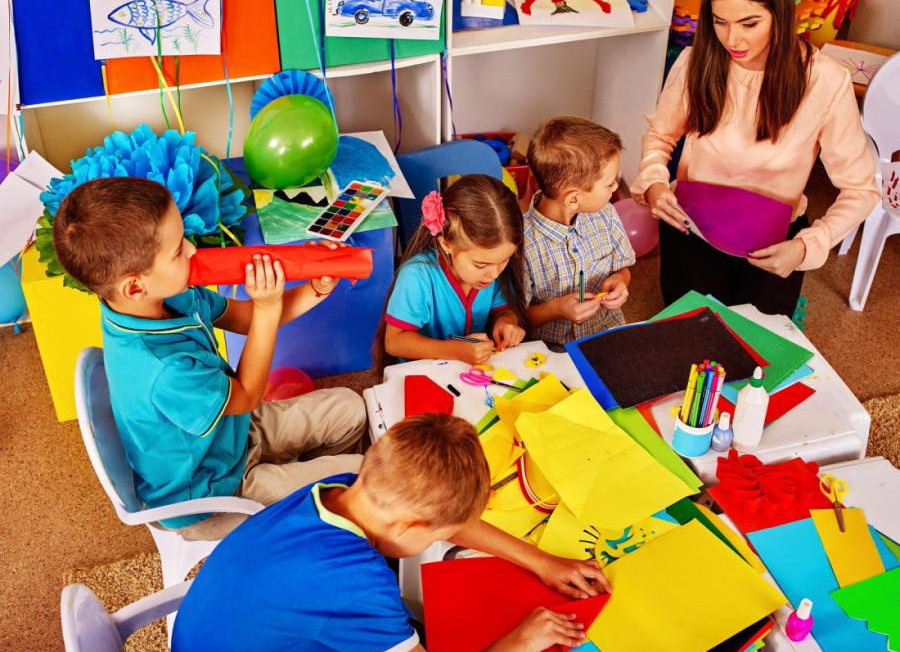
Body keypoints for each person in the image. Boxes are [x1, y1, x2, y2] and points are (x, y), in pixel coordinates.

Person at [53, 177, 366, 541]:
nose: (191, 250)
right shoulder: (164, 371)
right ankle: (311, 519)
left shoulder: (168, 296)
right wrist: (267, 309)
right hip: (214, 496)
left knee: (351, 408)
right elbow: (248, 394)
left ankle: (308, 497)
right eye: (177, 250)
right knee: (360, 474)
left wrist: (314, 285)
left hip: (232, 434)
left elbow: (245, 318)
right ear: (135, 286)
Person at [171, 413, 610, 652]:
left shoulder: (344, 488)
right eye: (438, 535)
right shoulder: (359, 585)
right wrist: (522, 641)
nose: (445, 538)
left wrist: (540, 560)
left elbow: (447, 519)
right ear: (409, 527)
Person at [630, 0, 879, 317]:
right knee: (694, 328)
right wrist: (654, 184)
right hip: (693, 225)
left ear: (780, 15)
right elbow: (660, 136)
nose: (732, 40)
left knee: (757, 337)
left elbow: (861, 190)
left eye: (749, 24)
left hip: (776, 238)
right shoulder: (695, 61)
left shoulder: (825, 80)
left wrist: (807, 245)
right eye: (720, 22)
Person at [375, 174, 528, 369]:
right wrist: (457, 350)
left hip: (471, 372)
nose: (494, 274)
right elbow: (394, 342)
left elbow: (503, 308)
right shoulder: (417, 275)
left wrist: (506, 321)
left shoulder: (492, 264)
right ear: (446, 244)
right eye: (480, 265)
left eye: (504, 261)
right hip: (424, 373)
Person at [523, 117, 635, 347]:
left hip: (606, 332)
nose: (616, 187)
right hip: (552, 349)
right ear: (573, 199)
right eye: (610, 183)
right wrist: (557, 309)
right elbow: (515, 317)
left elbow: (623, 268)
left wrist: (620, 280)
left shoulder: (606, 214)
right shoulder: (521, 242)